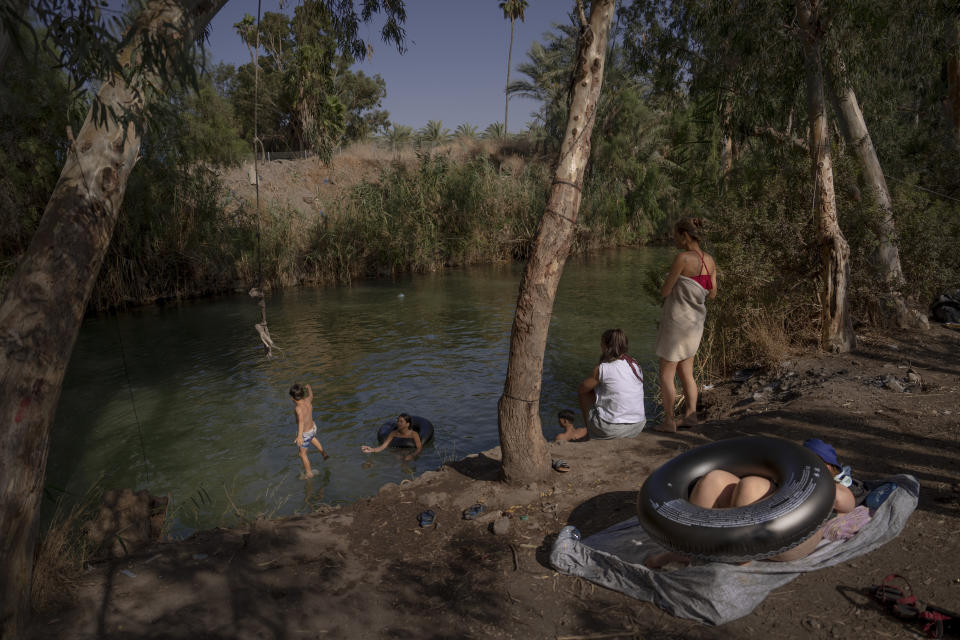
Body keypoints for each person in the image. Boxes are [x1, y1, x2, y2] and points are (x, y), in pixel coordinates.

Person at [645, 438, 856, 568]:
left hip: (789, 538)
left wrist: (821, 482)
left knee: (751, 485)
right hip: (757, 523)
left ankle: (739, 557)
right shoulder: (785, 472)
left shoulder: (833, 486)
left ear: (830, 468)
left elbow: (847, 504)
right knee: (714, 478)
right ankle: (687, 549)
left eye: (816, 461)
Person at [653, 217, 718, 433]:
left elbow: (665, 290)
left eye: (676, 236)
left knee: (666, 374)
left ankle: (669, 421)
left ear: (685, 235)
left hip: (677, 322)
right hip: (695, 324)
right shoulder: (710, 261)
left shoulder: (682, 258)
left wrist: (679, 284)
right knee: (686, 373)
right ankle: (691, 416)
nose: (674, 240)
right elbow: (713, 294)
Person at [578, 329, 647, 440]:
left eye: (602, 343)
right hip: (638, 425)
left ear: (606, 346)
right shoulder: (634, 363)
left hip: (611, 430)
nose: (600, 345)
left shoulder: (603, 368)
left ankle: (590, 433)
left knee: (585, 392)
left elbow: (582, 389)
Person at [289, 383, 329, 478]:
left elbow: (301, 422)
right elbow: (311, 395)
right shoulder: (308, 400)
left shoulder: (298, 409)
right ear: (303, 395)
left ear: (292, 398)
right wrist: (310, 388)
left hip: (305, 432)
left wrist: (299, 437)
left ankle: (309, 473)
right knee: (312, 438)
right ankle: (324, 453)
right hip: (313, 428)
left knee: (302, 454)